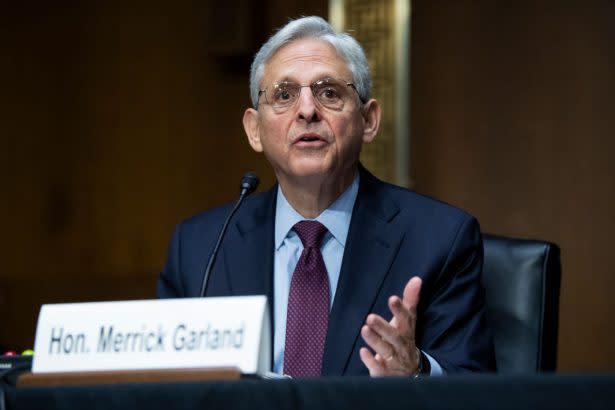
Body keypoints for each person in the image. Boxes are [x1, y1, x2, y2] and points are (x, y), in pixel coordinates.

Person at [157, 16, 496, 377]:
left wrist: (416, 372)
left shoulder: (439, 240)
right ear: (254, 130)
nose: (306, 110)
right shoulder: (199, 249)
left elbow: (475, 385)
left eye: (329, 92)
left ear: (369, 121)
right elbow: (161, 384)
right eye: (284, 95)